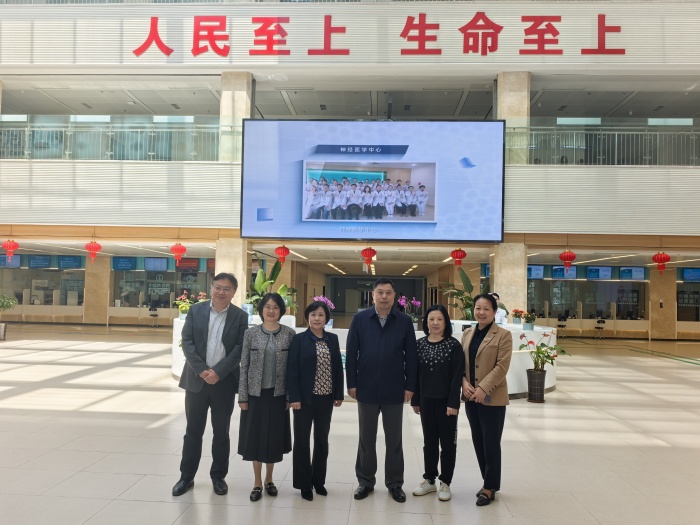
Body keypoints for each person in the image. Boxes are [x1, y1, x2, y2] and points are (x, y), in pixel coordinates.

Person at [172, 273, 248, 497]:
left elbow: (240, 348)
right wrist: (202, 370)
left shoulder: (240, 316)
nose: (221, 292)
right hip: (197, 380)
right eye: (218, 287)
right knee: (193, 431)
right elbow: (187, 341)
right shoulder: (196, 311)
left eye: (227, 289)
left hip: (224, 382)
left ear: (233, 293)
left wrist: (218, 372)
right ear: (212, 287)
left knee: (221, 432)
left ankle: (218, 477)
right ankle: (186, 477)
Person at [346, 278, 418, 503]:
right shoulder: (360, 319)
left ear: (394, 296)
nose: (384, 296)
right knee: (366, 438)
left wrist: (410, 386)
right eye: (380, 292)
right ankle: (365, 481)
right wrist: (351, 383)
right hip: (366, 387)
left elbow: (411, 356)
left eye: (388, 292)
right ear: (373, 295)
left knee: (394, 439)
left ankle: (395, 483)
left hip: (394, 388)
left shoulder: (404, 321)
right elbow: (351, 353)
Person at [238, 293, 295, 502]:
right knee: (255, 438)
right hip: (255, 395)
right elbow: (244, 365)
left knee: (273, 439)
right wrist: (243, 396)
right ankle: (257, 482)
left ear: (281, 311)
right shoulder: (251, 334)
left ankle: (270, 479)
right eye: (267, 307)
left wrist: (290, 396)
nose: (271, 311)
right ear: (261, 310)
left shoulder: (289, 334)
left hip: (278, 395)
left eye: (275, 307)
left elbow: (293, 369)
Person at [287, 301, 344, 501]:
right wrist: (294, 397)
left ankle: (318, 481)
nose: (317, 318)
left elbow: (337, 368)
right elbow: (292, 370)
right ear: (307, 317)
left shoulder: (332, 339)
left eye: (320, 314)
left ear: (326, 318)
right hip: (304, 399)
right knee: (302, 441)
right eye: (313, 314)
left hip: (326, 398)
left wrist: (338, 394)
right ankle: (304, 484)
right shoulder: (299, 339)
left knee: (321, 440)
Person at [460, 293, 513, 507]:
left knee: (491, 443)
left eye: (486, 309)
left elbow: (502, 366)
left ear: (494, 312)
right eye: (478, 308)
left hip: (492, 398)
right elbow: (460, 363)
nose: (481, 312)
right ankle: (487, 482)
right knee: (478, 441)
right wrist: (464, 382)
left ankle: (490, 487)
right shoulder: (467, 333)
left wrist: (483, 388)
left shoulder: (503, 335)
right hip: (470, 396)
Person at [411, 305, 464, 502]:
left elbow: (457, 377)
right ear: (426, 322)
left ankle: (445, 482)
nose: (435, 323)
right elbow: (415, 375)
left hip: (446, 403)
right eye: (431, 319)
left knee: (448, 445)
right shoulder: (419, 344)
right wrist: (416, 400)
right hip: (426, 401)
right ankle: (429, 480)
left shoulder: (453, 345)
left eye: (439, 319)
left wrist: (453, 403)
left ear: (446, 322)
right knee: (429, 443)